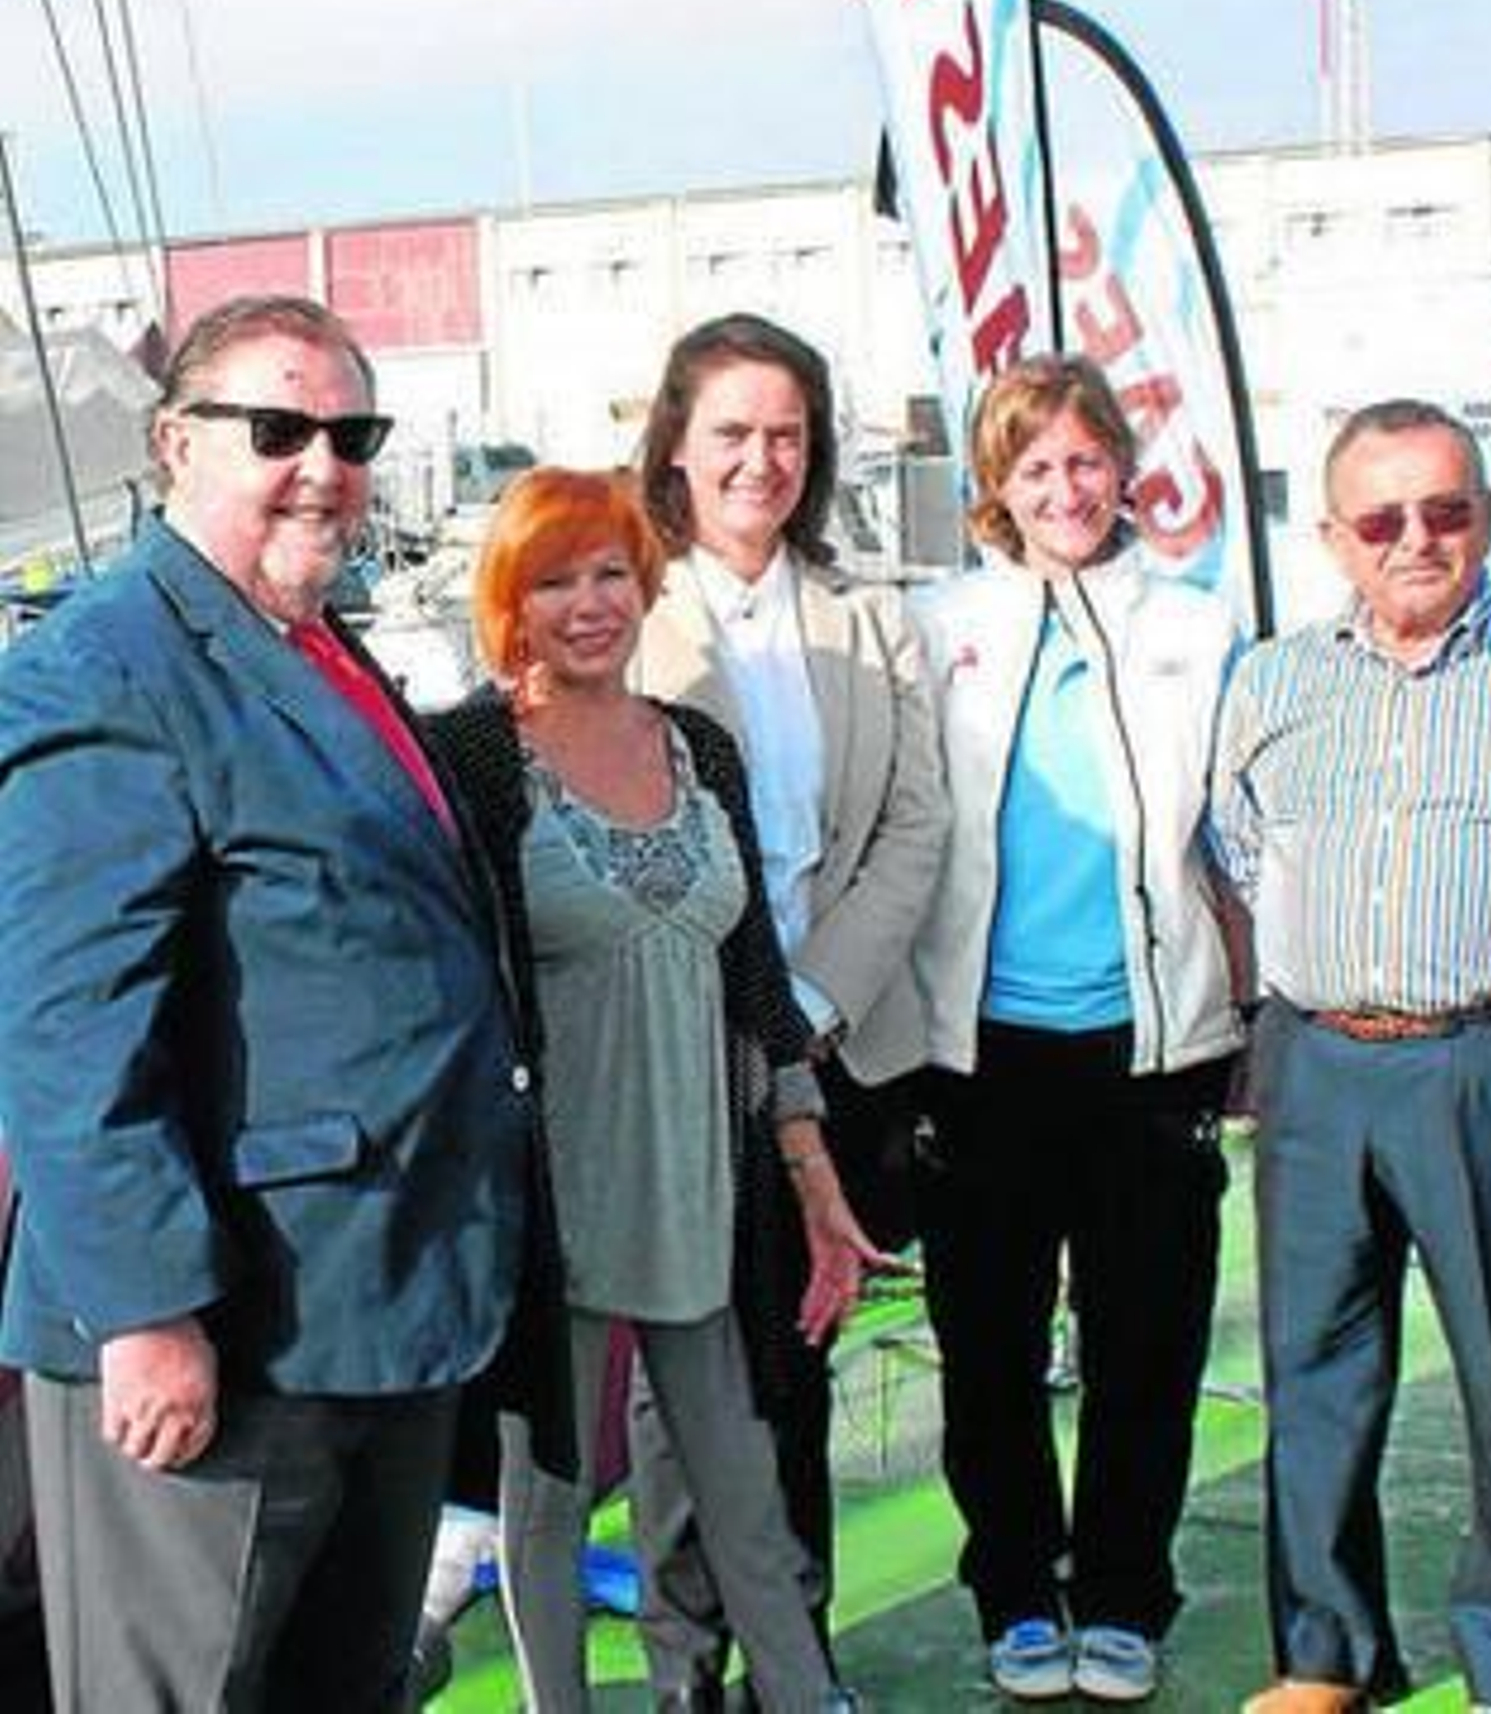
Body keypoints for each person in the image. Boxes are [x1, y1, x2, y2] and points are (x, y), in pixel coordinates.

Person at [0, 294, 560, 1711]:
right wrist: (145, 1312)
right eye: (279, 427)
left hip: (381, 1306)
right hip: (225, 1341)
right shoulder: (104, 667)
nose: (322, 461)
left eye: (350, 431)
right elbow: (69, 1028)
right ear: (176, 442)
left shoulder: (318, 641)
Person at [426, 465, 879, 1714]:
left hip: (701, 1188)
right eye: (554, 579)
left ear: (645, 580)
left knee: (740, 1476)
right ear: (510, 600)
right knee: (548, 1496)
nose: (588, 603)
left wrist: (813, 1171)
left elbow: (756, 982)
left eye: (609, 571)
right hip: (548, 1202)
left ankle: (800, 1696)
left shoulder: (702, 749)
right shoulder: (466, 753)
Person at [1211, 400, 1491, 1714]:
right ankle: (1325, 1655)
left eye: (1446, 510)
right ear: (1334, 536)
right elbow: (1237, 849)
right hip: (1315, 1062)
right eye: (1383, 519)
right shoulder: (1272, 682)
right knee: (1313, 1372)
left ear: (1487, 515)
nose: (1416, 539)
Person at [908, 353, 1245, 1705]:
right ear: (997, 485)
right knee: (987, 1344)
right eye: (1034, 465)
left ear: (1124, 468)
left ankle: (1120, 1590)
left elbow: (1243, 826)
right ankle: (1013, 1586)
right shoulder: (939, 625)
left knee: (1144, 1343)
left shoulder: (1199, 622)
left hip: (1151, 1046)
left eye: (1085, 459)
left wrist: (1261, 1002)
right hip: (980, 1051)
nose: (1064, 486)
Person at [629, 310, 947, 1706]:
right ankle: (687, 1664)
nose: (761, 459)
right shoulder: (620, 604)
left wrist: (808, 1003)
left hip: (834, 1044)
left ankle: (796, 1664)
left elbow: (917, 825)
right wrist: (744, 1013)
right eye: (731, 433)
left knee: (798, 1371)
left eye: (786, 435)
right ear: (676, 449)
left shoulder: (871, 618)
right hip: (671, 1061)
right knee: (673, 1391)